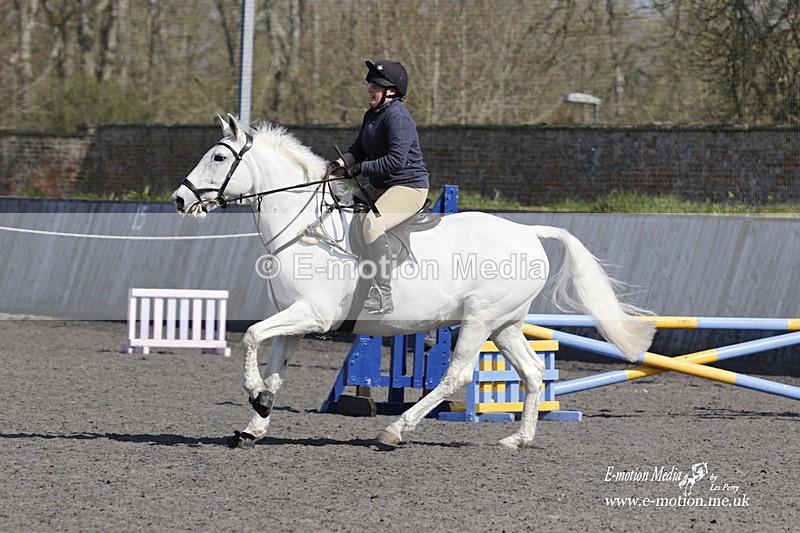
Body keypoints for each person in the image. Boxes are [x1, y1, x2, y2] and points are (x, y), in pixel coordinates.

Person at [325, 59, 430, 315]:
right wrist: (338, 165)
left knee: (373, 224)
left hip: (408, 187)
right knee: (343, 210)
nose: (370, 90)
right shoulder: (372, 115)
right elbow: (358, 149)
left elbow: (396, 161)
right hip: (383, 186)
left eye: (375, 86)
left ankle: (383, 294)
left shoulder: (398, 117)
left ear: (391, 91)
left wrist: (359, 169)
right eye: (370, 85)